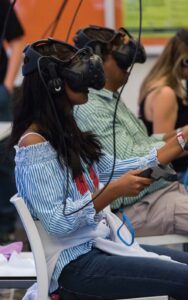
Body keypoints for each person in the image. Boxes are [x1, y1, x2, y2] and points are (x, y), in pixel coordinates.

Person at [8, 37, 188, 300]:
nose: (89, 84)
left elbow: (116, 166)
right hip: (75, 267)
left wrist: (180, 141)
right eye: (77, 74)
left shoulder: (67, 133)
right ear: (55, 83)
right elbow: (58, 222)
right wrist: (113, 192)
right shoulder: (34, 146)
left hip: (99, 247)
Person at [74, 25, 188, 238]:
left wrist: (178, 134)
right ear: (96, 62)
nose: (129, 65)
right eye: (120, 58)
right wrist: (182, 140)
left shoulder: (110, 98)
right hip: (138, 206)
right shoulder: (90, 107)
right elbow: (131, 163)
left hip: (161, 193)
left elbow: (141, 143)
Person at [138, 29, 188, 182]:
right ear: (184, 61)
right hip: (177, 176)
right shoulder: (165, 93)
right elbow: (163, 150)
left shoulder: (168, 86)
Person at [0, 0, 24, 243]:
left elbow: (17, 40)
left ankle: (7, 230)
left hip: (0, 93)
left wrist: (7, 84)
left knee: (5, 162)